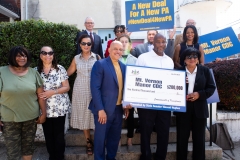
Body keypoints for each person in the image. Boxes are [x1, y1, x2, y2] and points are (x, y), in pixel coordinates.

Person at [0, 46, 46, 160]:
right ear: (12, 57)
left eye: (25, 56)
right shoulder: (2, 72)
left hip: (31, 118)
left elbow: (41, 96)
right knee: (13, 151)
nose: (22, 58)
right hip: (9, 119)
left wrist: (43, 113)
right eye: (19, 55)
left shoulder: (33, 73)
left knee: (28, 148)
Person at [89, 41, 130, 160]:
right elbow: (94, 88)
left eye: (120, 49)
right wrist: (100, 109)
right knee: (100, 139)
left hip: (118, 109)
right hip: (104, 110)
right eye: (115, 49)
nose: (118, 51)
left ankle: (111, 158)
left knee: (114, 138)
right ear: (109, 50)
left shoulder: (124, 66)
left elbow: (124, 88)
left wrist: (126, 105)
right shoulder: (100, 64)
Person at [136, 33, 174, 160]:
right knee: (146, 131)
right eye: (158, 42)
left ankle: (160, 157)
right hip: (147, 104)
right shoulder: (143, 58)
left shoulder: (169, 61)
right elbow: (136, 79)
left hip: (164, 104)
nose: (161, 44)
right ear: (153, 43)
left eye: (163, 42)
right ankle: (146, 156)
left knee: (164, 131)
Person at [175, 47, 216, 160]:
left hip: (200, 109)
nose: (192, 59)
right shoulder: (178, 72)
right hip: (183, 109)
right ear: (184, 60)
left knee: (199, 139)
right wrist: (179, 95)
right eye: (189, 57)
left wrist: (199, 94)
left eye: (195, 57)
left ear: (198, 59)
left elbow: (211, 88)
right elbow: (172, 89)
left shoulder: (205, 71)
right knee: (182, 138)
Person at [36, 46, 71, 160]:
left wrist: (52, 92)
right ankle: (52, 156)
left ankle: (60, 157)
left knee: (59, 136)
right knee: (48, 136)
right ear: (41, 55)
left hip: (59, 108)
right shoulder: (35, 71)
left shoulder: (60, 69)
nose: (48, 55)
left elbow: (66, 87)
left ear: (53, 55)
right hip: (44, 108)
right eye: (44, 53)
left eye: (50, 53)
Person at [68, 34, 99, 155]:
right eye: (83, 43)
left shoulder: (96, 57)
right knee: (83, 115)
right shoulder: (76, 58)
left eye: (89, 43)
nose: (86, 46)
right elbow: (68, 72)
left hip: (94, 90)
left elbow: (103, 73)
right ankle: (88, 142)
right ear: (80, 45)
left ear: (92, 45)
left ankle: (98, 140)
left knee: (95, 115)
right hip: (80, 90)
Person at [118, 34, 137, 152]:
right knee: (117, 117)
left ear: (130, 45)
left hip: (130, 93)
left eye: (126, 42)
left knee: (130, 118)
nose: (124, 43)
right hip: (117, 92)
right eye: (122, 41)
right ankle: (117, 139)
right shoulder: (114, 59)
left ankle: (129, 139)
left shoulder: (135, 60)